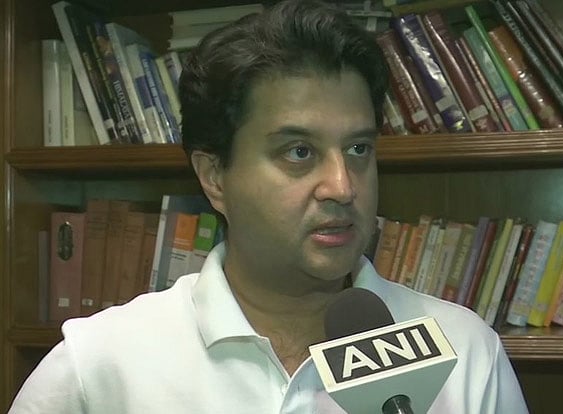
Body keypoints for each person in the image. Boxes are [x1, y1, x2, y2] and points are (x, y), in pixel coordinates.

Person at [9, 1, 529, 413]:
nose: (342, 187)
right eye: (299, 152)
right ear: (215, 177)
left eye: (358, 149)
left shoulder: (464, 351)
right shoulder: (98, 366)